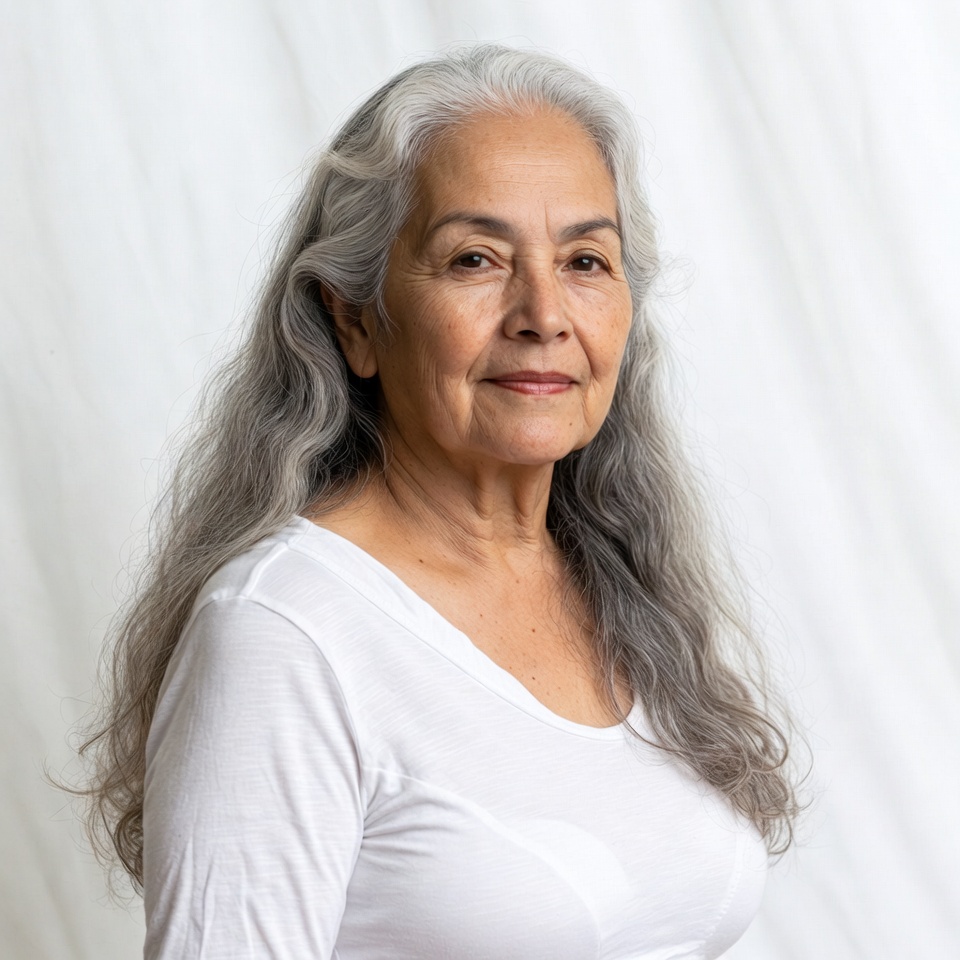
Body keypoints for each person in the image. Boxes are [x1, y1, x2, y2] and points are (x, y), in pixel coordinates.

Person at [77, 44, 801, 959]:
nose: (544, 314)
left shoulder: (623, 584)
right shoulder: (283, 633)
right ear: (353, 318)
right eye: (474, 259)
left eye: (585, 260)